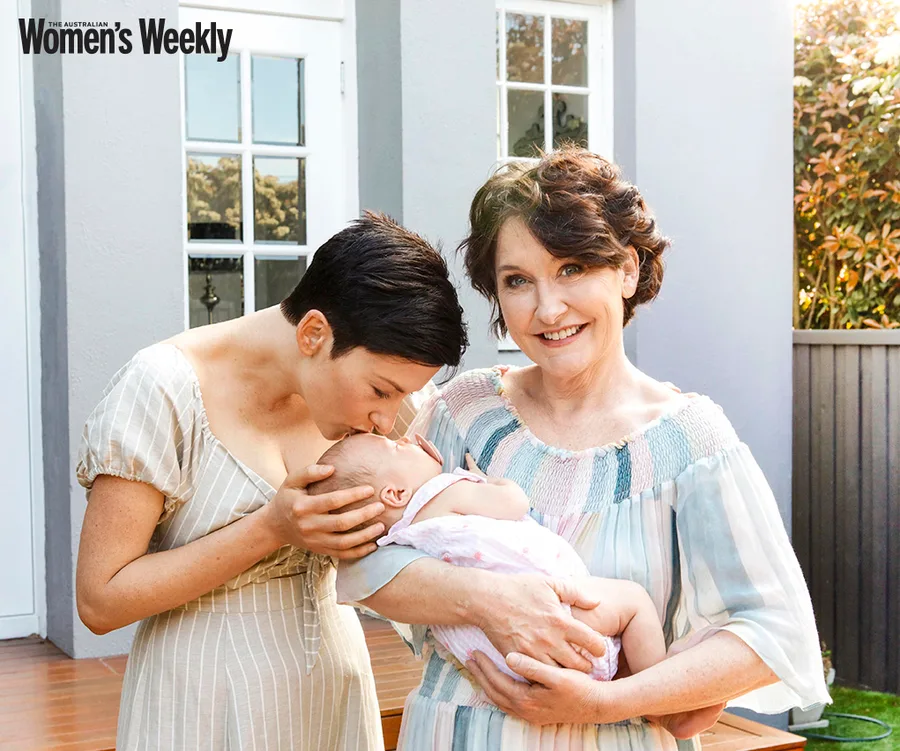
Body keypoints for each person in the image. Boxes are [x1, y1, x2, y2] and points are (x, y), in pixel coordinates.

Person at [337, 149, 831, 749]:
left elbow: (773, 634)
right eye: (518, 281)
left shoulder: (692, 441)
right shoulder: (460, 413)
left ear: (625, 269)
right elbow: (360, 564)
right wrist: (490, 601)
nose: (547, 309)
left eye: (571, 268)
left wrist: (604, 700)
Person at [74, 213, 468, 751]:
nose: (389, 416)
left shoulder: (376, 412)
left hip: (336, 696)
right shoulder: (163, 388)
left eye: (402, 395)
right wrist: (271, 528)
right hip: (201, 706)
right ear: (313, 333)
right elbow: (100, 601)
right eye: (381, 391)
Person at [310, 431, 667, 684]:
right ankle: (655, 696)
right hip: (555, 611)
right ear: (396, 492)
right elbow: (514, 505)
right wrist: (487, 481)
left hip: (499, 660)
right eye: (395, 447)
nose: (406, 439)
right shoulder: (443, 493)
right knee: (633, 602)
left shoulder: (395, 540)